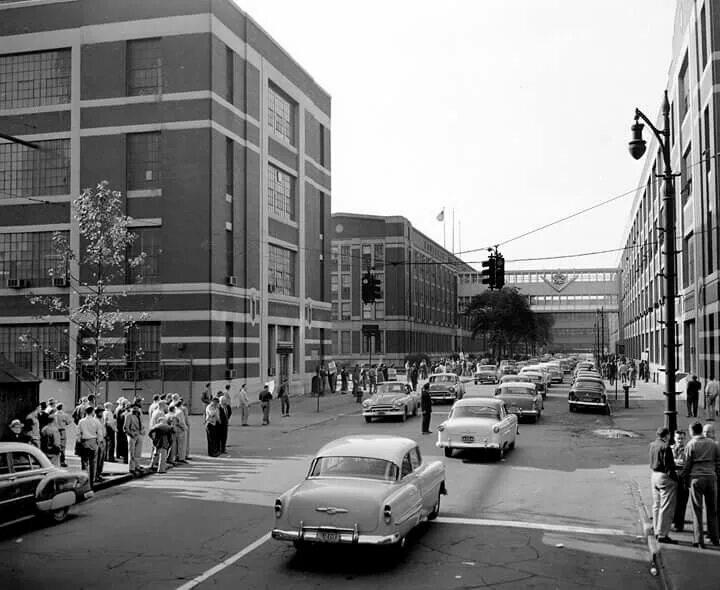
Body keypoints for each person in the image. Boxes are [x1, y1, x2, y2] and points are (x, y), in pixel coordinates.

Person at [683, 421, 720, 548]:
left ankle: (699, 540)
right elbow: (717, 462)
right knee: (712, 509)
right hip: (711, 477)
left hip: (696, 478)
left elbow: (687, 464)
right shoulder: (713, 444)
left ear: (692, 431)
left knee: (697, 509)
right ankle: (715, 537)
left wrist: (684, 478)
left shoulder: (691, 444)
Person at [649, 426, 678, 544]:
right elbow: (669, 465)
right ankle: (662, 534)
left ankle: (656, 530)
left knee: (656, 505)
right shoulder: (665, 447)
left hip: (654, 475)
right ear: (667, 435)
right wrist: (674, 479)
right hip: (664, 476)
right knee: (666, 506)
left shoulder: (652, 445)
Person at [78, 406, 102, 487]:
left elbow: (78, 433)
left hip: (84, 441)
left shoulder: (81, 421)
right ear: (92, 412)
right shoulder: (96, 421)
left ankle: (84, 479)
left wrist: (79, 441)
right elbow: (99, 433)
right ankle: (92, 480)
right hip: (93, 440)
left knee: (84, 462)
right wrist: (99, 442)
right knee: (93, 462)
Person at [672, 430, 689, 532]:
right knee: (673, 501)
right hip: (673, 479)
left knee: (682, 503)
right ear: (674, 438)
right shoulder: (671, 449)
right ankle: (673, 521)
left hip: (682, 479)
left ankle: (679, 525)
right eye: (678, 438)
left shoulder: (687, 450)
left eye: (682, 438)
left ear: (685, 439)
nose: (680, 440)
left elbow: (686, 464)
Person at [123, 402, 145, 475]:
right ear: (131, 408)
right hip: (132, 435)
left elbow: (142, 425)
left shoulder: (140, 415)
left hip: (139, 434)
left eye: (137, 408)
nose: (136, 409)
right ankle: (131, 468)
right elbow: (126, 427)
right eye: (134, 407)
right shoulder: (129, 416)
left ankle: (137, 466)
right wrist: (131, 434)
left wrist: (142, 431)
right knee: (132, 452)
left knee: (138, 452)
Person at [114, 398, 129, 464]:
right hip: (121, 428)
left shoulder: (117, 409)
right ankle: (121, 455)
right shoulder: (121, 410)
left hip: (118, 427)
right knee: (122, 442)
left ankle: (118, 454)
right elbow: (121, 418)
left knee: (119, 442)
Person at [94, 407, 106, 482]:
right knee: (97, 459)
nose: (102, 413)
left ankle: (99, 474)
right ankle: (95, 475)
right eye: (100, 412)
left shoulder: (102, 419)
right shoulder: (95, 420)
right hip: (98, 441)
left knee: (101, 459)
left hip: (103, 440)